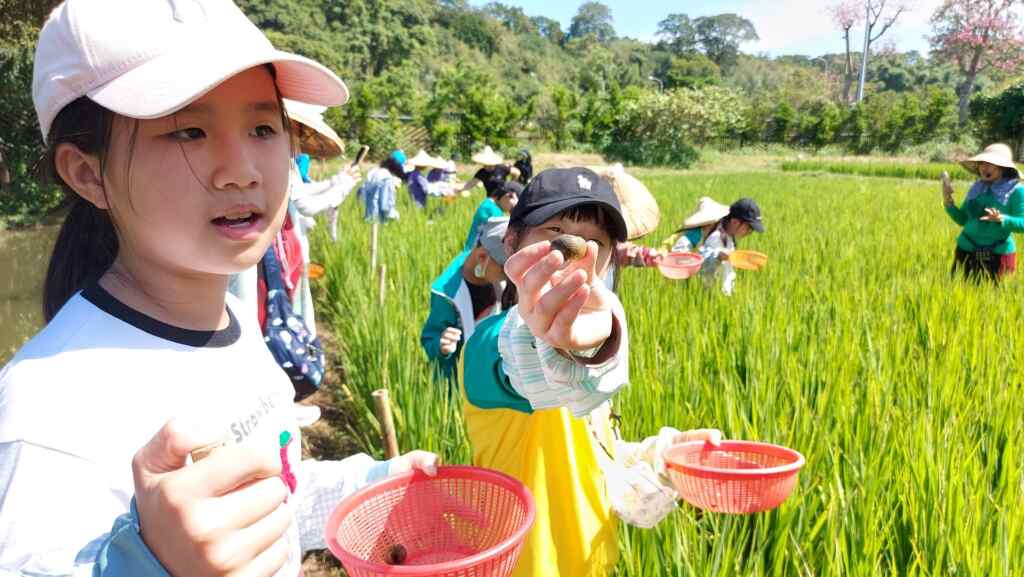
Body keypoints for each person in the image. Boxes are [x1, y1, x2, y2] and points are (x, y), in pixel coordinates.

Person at [0, 2, 438, 575]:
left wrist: (370, 485)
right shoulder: (45, 413)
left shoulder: (233, 321)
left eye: (262, 127)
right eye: (188, 130)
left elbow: (270, 494)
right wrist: (147, 563)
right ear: (87, 173)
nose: (242, 170)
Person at [462, 168, 721, 577]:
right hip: (527, 565)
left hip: (593, 558)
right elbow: (530, 359)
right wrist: (568, 342)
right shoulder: (487, 345)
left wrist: (665, 455)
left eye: (596, 242)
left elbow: (593, 454)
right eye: (556, 232)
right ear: (512, 243)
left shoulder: (592, 342)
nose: (576, 253)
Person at [421, 217, 509, 382]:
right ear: (482, 257)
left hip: (491, 376)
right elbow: (429, 339)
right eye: (505, 270)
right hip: (457, 381)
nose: (510, 275)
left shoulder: (496, 278)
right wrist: (442, 346)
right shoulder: (446, 294)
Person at [943, 143, 1024, 283]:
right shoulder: (977, 188)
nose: (983, 167)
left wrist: (1002, 219)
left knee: (996, 300)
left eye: (990, 164)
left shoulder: (1016, 191)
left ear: (1003, 167)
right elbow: (962, 219)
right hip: (966, 250)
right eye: (981, 163)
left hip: (998, 255)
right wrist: (948, 203)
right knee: (960, 296)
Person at [670, 197, 765, 296]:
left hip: (718, 295)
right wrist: (717, 256)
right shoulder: (699, 233)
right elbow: (678, 255)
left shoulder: (729, 237)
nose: (750, 232)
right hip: (697, 294)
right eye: (749, 228)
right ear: (735, 222)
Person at [463, 179, 521, 251]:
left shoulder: (488, 204)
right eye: (513, 208)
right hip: (474, 254)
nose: (510, 211)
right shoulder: (493, 211)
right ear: (509, 195)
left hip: (470, 251)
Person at [455, 145, 520, 197]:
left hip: (504, 197)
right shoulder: (482, 172)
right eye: (485, 164)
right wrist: (460, 189)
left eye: (489, 165)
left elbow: (517, 172)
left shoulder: (501, 168)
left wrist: (512, 184)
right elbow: (471, 184)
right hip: (491, 198)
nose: (486, 167)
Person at [361, 150, 405, 222]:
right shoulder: (387, 180)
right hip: (379, 221)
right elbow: (386, 206)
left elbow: (361, 195)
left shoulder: (374, 173)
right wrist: (397, 217)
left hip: (368, 217)